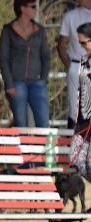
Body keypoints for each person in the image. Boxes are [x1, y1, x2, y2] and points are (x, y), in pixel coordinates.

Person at [0, 0, 50, 128]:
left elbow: (46, 56)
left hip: (37, 83)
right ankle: (23, 148)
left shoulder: (40, 30)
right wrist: (9, 83)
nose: (36, 10)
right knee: (21, 123)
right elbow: (3, 58)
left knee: (43, 122)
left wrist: (43, 79)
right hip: (16, 82)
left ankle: (42, 148)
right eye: (33, 7)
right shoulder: (8, 30)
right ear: (23, 9)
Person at [58, 0, 91, 129]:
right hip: (77, 64)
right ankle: (75, 139)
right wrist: (70, 65)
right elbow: (61, 45)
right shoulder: (70, 16)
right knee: (76, 106)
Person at [69, 23, 91, 182]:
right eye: (80, 43)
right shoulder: (83, 61)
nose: (82, 47)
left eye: (85, 43)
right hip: (83, 119)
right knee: (76, 160)